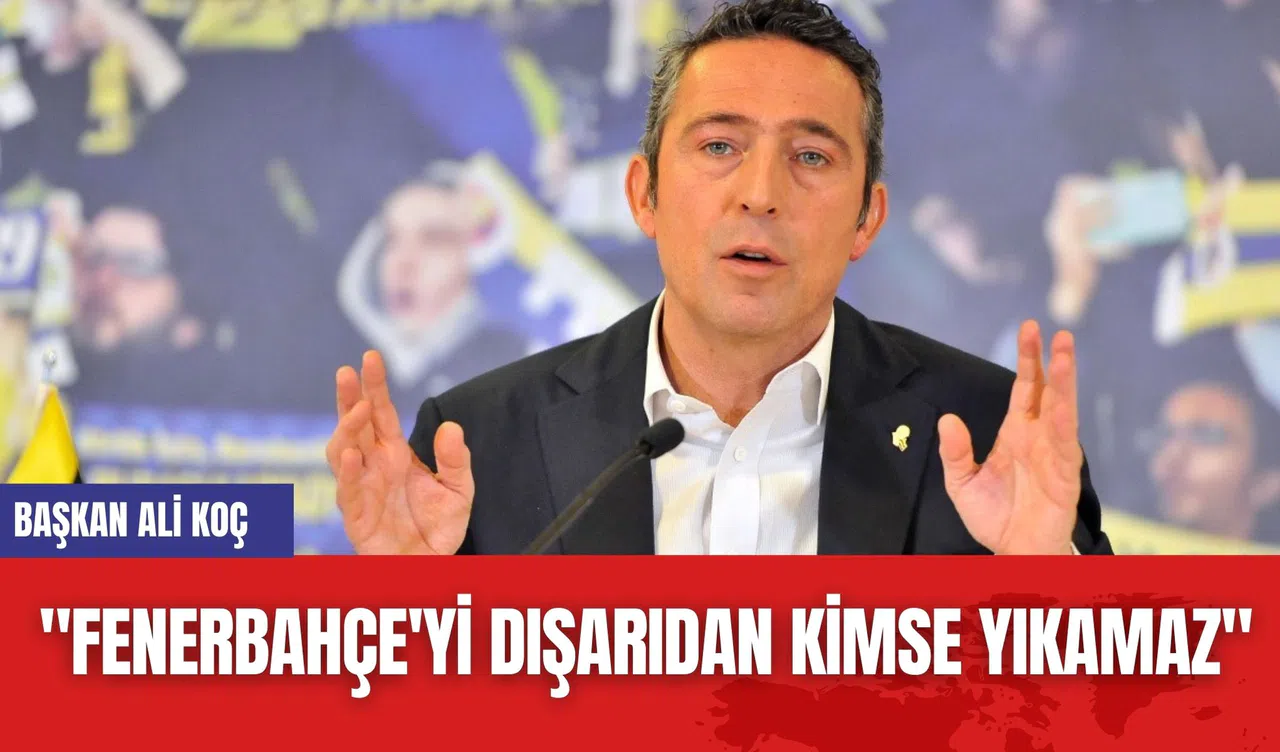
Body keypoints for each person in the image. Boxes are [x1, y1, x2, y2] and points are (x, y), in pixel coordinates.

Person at [324, 0, 1112, 556]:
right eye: (719, 147)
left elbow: (1109, 716)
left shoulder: (983, 431)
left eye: (811, 156)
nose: (759, 193)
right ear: (645, 195)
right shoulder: (480, 442)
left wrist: (1043, 589)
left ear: (867, 219)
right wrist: (402, 622)